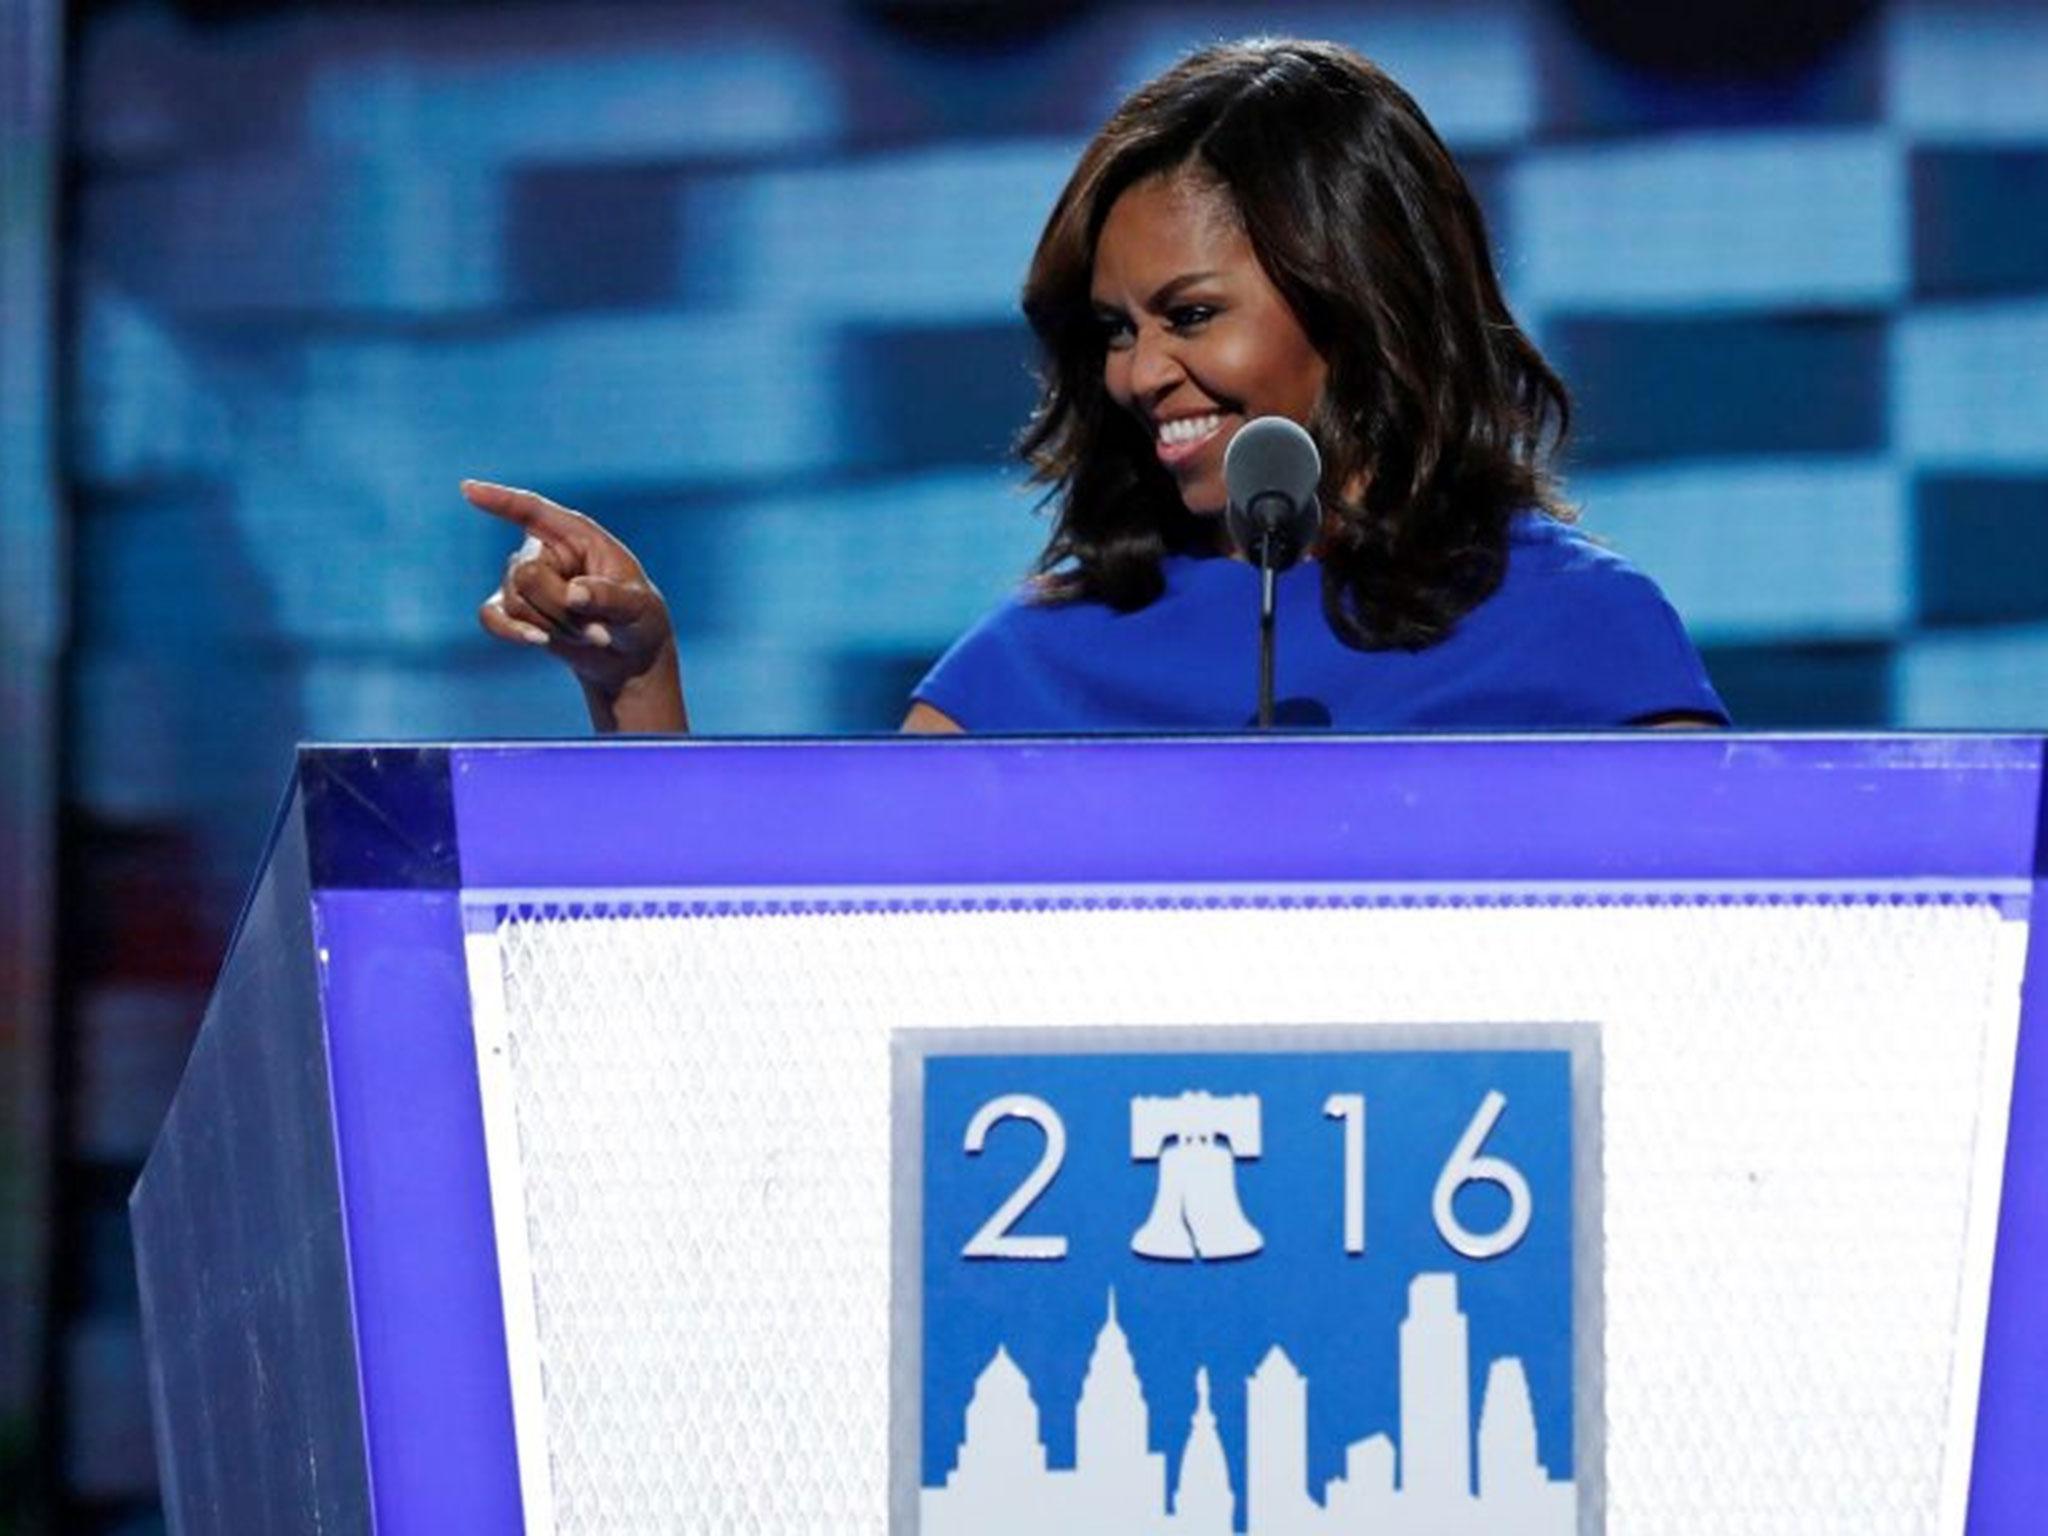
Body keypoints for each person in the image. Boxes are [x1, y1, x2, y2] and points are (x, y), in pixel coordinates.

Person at [470, 38, 1726, 734]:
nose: (1135, 373)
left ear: (1363, 301)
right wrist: (635, 685)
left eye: (1188, 315)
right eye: (1113, 330)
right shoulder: (1040, 665)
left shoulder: (1587, 639)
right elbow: (791, 982)